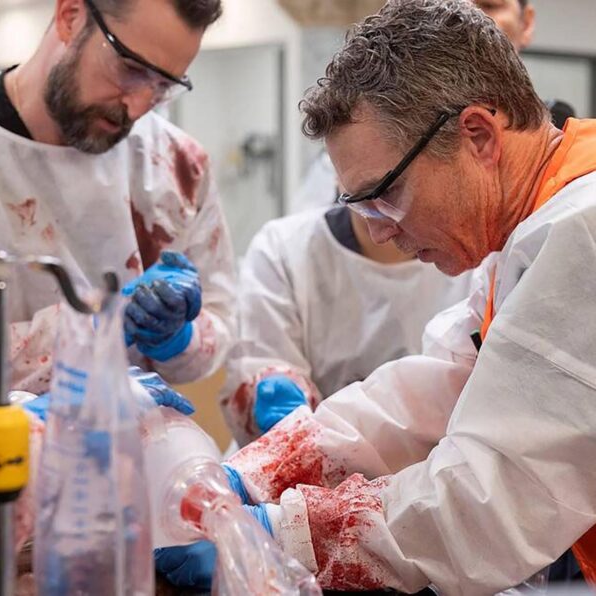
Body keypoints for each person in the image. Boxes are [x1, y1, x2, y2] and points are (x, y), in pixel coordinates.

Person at [157, 0, 596, 592]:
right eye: (361, 208)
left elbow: (491, 496)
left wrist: (285, 533)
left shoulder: (579, 229)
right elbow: (438, 386)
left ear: (478, 136)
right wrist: (263, 470)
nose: (381, 232)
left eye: (385, 195)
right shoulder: (533, 224)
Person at [0, 0, 235, 435]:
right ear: (70, 16)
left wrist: (178, 337)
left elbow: (220, 325)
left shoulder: (177, 165)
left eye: (163, 85)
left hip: (131, 458)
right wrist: (90, 331)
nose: (137, 106)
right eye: (131, 68)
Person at [220, 204, 474, 446]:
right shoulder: (284, 249)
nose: (379, 207)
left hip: (435, 465)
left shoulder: (474, 256)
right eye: (362, 190)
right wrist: (277, 388)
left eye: (394, 185)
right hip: (311, 459)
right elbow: (262, 363)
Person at [293, 0, 574, 214]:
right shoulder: (361, 154)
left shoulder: (569, 157)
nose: (466, 17)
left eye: (489, 5)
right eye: (450, 4)